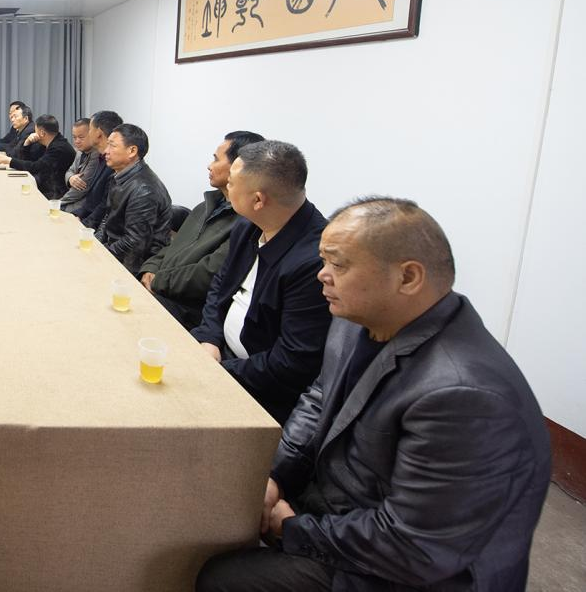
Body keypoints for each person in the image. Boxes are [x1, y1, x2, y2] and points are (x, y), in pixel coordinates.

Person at [197, 198, 552, 592]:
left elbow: (414, 546)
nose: (321, 275)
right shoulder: (356, 319)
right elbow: (319, 400)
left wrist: (293, 529)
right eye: (323, 261)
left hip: (406, 574)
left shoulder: (464, 396)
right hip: (343, 511)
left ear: (408, 277)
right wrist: (275, 476)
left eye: (338, 265)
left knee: (220, 577)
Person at [190, 140, 330, 423]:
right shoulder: (248, 225)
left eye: (231, 184)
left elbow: (291, 362)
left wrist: (220, 371)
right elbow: (220, 286)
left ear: (257, 200)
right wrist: (209, 337)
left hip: (260, 388)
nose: (226, 188)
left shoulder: (314, 261)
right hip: (219, 353)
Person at [139, 130, 265, 328]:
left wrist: (158, 281)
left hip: (187, 308)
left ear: (238, 167)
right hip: (162, 288)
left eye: (216, 159)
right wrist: (150, 268)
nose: (209, 165)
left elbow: (209, 273)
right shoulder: (206, 205)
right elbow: (173, 246)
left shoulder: (246, 223)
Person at [93, 123, 172, 272]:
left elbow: (134, 243)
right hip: (115, 250)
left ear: (132, 151)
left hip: (135, 264)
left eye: (112, 146)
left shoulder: (144, 189)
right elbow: (107, 218)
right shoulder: (118, 175)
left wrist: (101, 255)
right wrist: (95, 243)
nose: (105, 151)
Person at [0, 113, 76, 200]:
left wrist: (9, 161)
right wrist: (27, 143)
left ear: (42, 133)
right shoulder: (49, 142)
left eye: (35, 131)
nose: (34, 133)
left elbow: (35, 167)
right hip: (47, 185)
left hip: (57, 193)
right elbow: (29, 161)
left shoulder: (58, 147)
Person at [71, 110, 122, 227]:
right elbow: (92, 201)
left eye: (90, 129)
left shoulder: (114, 163)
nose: (88, 133)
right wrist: (77, 215)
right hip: (87, 217)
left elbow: (104, 206)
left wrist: (83, 224)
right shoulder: (101, 156)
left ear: (98, 133)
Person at [58, 118, 98, 212]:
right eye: (74, 137)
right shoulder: (80, 152)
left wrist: (59, 202)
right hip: (73, 198)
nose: (77, 141)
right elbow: (69, 171)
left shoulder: (97, 155)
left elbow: (81, 187)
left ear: (92, 135)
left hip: (85, 203)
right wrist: (70, 178)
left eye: (81, 137)